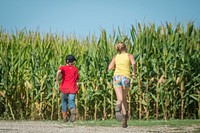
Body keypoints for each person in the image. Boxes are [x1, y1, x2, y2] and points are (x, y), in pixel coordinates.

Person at [108, 42, 136, 128]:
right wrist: (134, 73)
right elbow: (134, 63)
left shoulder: (116, 56)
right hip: (125, 77)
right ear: (125, 47)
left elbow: (109, 68)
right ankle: (123, 116)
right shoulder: (129, 55)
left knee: (120, 98)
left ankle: (119, 111)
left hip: (116, 77)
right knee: (123, 98)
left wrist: (115, 67)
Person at [56, 54, 79, 123]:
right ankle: (73, 112)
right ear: (72, 62)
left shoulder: (63, 67)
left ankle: (64, 117)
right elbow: (77, 79)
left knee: (64, 102)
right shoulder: (75, 69)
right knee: (71, 101)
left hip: (64, 88)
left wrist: (57, 80)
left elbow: (58, 72)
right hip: (72, 88)